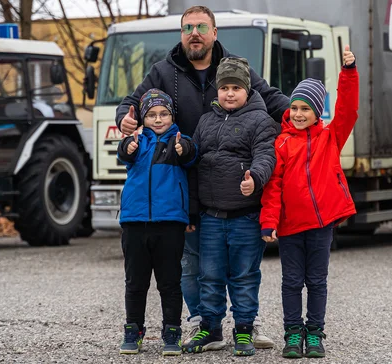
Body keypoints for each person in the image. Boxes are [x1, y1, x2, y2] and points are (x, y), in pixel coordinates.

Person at [115, 5, 289, 348]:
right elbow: (132, 102)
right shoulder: (162, 70)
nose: (194, 33)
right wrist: (125, 117)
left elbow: (270, 99)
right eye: (188, 27)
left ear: (214, 33)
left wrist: (303, 114)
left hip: (231, 183)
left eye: (201, 27)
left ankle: (245, 325)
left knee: (240, 266)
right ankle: (204, 323)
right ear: (181, 34)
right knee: (193, 262)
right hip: (182, 180)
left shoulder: (235, 68)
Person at [260, 45, 359, 358]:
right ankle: (292, 334)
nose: (299, 114)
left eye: (306, 109)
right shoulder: (282, 143)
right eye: (295, 108)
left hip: (320, 225)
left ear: (318, 112)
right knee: (291, 283)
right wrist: (269, 221)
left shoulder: (330, 138)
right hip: (290, 227)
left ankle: (314, 333)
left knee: (317, 281)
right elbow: (273, 186)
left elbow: (348, 109)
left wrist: (349, 73)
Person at [182, 57, 279, 356]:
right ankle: (210, 330)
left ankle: (244, 330)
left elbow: (266, 156)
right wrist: (192, 211)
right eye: (224, 87)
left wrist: (256, 179)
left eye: (236, 87)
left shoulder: (260, 120)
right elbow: (195, 166)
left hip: (245, 217)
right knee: (209, 276)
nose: (229, 93)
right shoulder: (206, 121)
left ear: (247, 90)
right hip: (211, 217)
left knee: (245, 276)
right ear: (217, 91)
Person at [116, 89, 197, 356]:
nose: (158, 119)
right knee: (135, 283)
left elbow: (192, 154)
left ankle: (172, 332)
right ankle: (133, 330)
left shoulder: (179, 139)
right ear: (143, 117)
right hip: (135, 222)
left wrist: (184, 149)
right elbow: (123, 155)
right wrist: (127, 146)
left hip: (170, 223)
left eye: (164, 114)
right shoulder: (137, 140)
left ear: (172, 116)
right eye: (151, 115)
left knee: (170, 282)